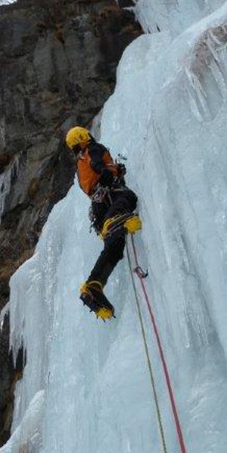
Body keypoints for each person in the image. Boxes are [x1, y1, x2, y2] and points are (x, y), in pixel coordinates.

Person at [65, 125, 142, 320]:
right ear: (84, 136)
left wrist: (115, 171)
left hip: (99, 209)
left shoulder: (79, 164)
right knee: (129, 197)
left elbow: (90, 181)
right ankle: (115, 220)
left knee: (114, 248)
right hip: (110, 198)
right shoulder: (92, 148)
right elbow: (98, 164)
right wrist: (108, 172)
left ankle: (93, 286)